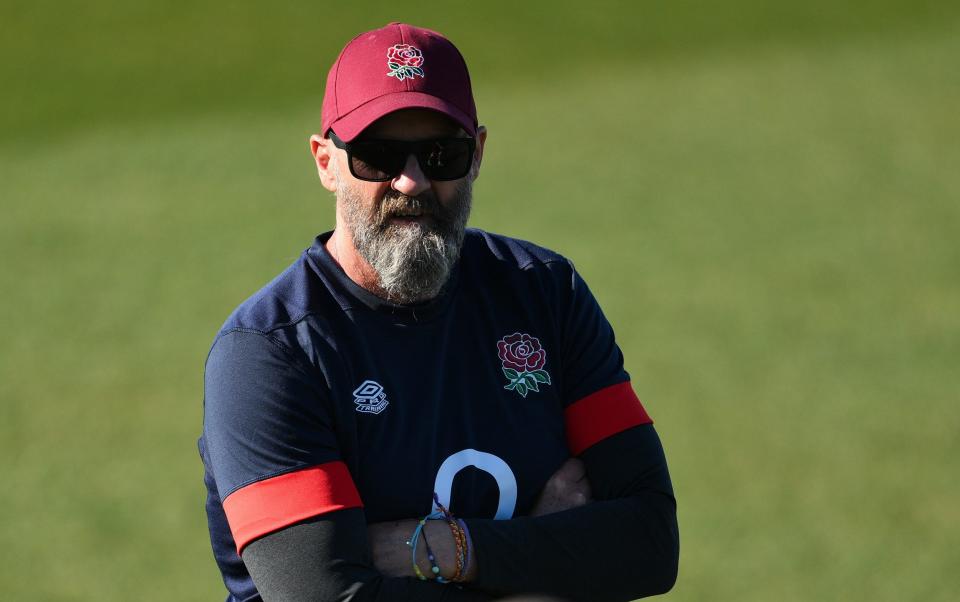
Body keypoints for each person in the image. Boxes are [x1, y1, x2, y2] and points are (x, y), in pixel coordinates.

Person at [199, 22, 679, 602]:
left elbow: (650, 544)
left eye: (440, 154)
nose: (412, 180)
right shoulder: (270, 353)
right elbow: (323, 596)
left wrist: (446, 551)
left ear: (476, 155)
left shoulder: (545, 291)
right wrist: (541, 560)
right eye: (377, 157)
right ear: (326, 162)